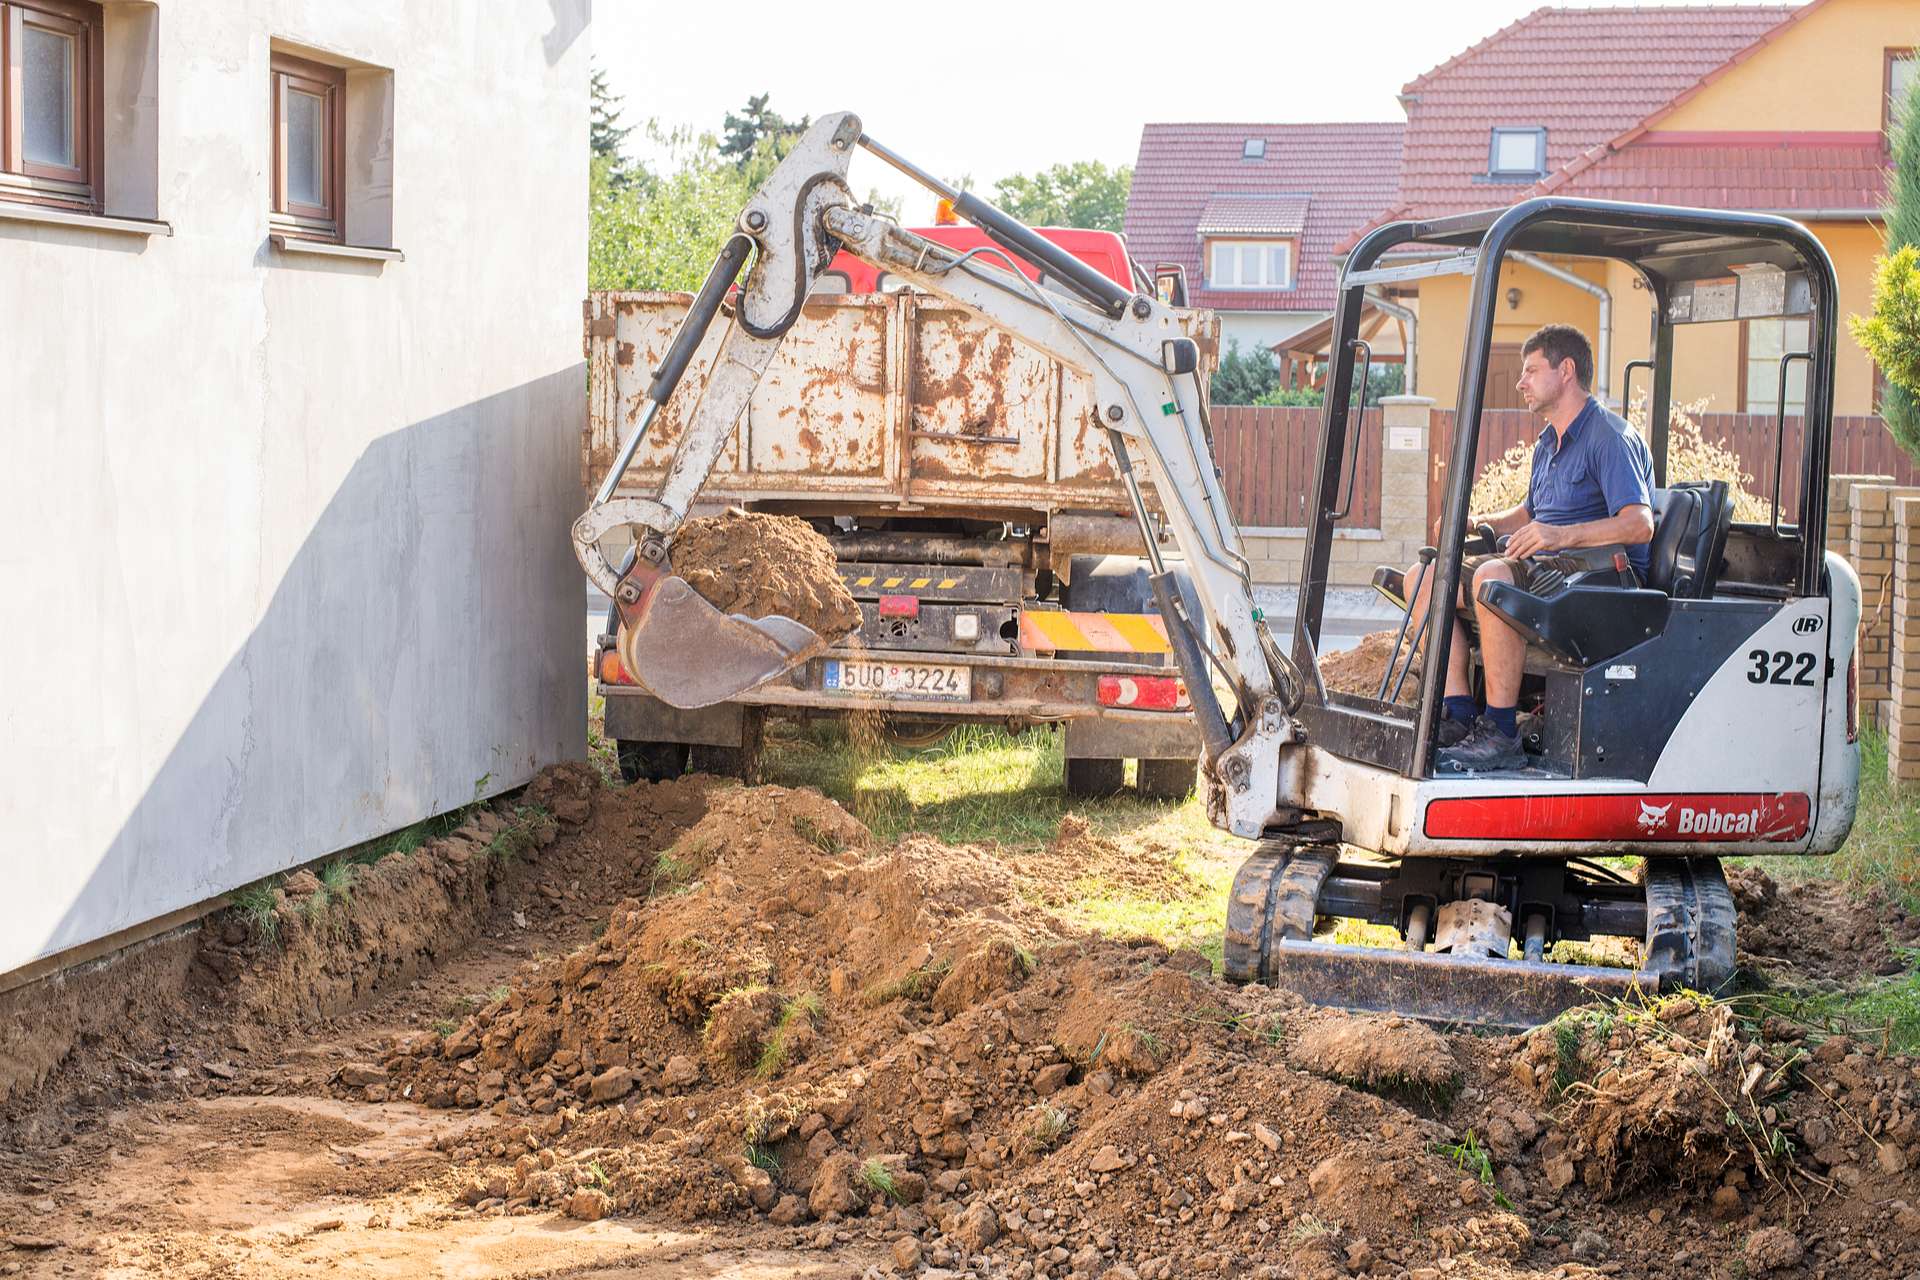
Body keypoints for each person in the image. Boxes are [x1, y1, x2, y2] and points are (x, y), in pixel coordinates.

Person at [1397, 324, 1655, 773]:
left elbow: (1639, 524)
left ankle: (1500, 733)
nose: (1521, 382)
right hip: (1551, 570)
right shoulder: (1549, 444)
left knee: (1492, 578)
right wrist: (1477, 521)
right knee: (1424, 577)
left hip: (1600, 579)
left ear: (1566, 371)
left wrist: (1559, 535)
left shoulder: (1608, 437)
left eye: (1531, 370)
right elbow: (1529, 513)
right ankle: (1459, 714)